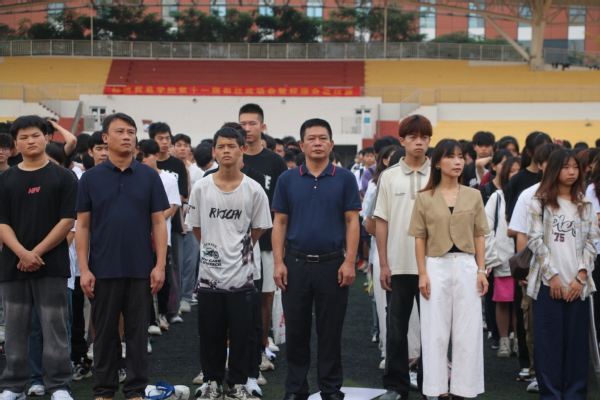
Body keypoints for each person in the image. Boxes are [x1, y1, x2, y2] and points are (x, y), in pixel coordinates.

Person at [76, 113, 169, 400]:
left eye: (131, 131)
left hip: (141, 268)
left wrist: (160, 265)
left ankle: (135, 390)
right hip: (102, 268)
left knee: (138, 334)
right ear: (105, 138)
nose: (127, 136)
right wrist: (84, 269)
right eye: (119, 131)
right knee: (104, 334)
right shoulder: (90, 178)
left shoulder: (149, 176)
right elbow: (83, 226)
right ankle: (104, 390)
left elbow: (158, 223)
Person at [272, 118, 361, 400]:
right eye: (311, 138)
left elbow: (352, 221)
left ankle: (331, 389)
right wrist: (278, 262)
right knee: (296, 332)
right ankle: (296, 389)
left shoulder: (345, 178)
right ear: (302, 145)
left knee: (330, 332)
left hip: (333, 264)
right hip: (295, 264)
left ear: (331, 144)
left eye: (323, 138)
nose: (317, 143)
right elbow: (280, 222)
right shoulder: (287, 179)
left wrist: (349, 261)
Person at [186, 127, 271, 400]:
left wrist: (236, 250)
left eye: (231, 146)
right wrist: (214, 249)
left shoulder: (254, 189)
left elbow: (259, 228)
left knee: (242, 334)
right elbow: (196, 227)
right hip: (209, 277)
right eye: (221, 146)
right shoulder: (201, 187)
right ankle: (211, 382)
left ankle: (238, 384)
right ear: (213, 151)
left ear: (241, 150)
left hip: (242, 277)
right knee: (210, 333)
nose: (226, 151)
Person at [0, 115, 78, 400]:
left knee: (54, 326)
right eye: (23, 137)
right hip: (13, 264)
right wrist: (22, 253)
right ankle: (13, 386)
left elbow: (67, 220)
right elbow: (1, 222)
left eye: (35, 135)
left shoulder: (64, 176)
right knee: (15, 328)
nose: (30, 141)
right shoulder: (5, 179)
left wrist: (36, 252)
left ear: (47, 137)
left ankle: (59, 385)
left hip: (51, 264)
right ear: (15, 144)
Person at [408, 139, 490, 399]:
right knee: (435, 332)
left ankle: (464, 390)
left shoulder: (474, 195)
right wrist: (422, 273)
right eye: (450, 157)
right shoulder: (424, 198)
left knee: (469, 332)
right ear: (437, 163)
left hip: (467, 265)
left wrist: (481, 270)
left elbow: (479, 235)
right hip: (436, 265)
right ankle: (438, 390)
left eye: (460, 157)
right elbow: (419, 238)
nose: (457, 162)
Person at [527, 148, 599, 400]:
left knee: (576, 346)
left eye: (575, 167)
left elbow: (592, 243)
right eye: (566, 167)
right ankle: (551, 394)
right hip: (547, 285)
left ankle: (574, 394)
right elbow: (534, 240)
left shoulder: (586, 204)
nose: (571, 172)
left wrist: (581, 277)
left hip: (578, 286)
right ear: (554, 169)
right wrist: (552, 276)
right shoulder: (539, 202)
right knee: (549, 346)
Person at [374, 115, 432, 400]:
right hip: (398, 265)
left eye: (424, 137)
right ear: (402, 140)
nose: (418, 142)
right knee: (396, 330)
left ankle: (431, 384)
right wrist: (384, 263)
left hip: (432, 266)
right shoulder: (389, 176)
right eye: (413, 137)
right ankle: (396, 386)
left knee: (433, 329)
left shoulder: (439, 173)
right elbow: (381, 222)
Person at [506, 142, 561, 391]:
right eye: (550, 162)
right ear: (539, 165)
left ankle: (563, 371)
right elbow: (521, 234)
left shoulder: (574, 196)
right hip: (537, 272)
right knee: (535, 324)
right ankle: (538, 372)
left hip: (567, 270)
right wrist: (524, 270)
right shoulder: (529, 195)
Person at [239, 103, 288, 372]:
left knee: (265, 296)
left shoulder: (274, 161)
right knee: (236, 297)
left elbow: (282, 206)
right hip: (236, 241)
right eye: (243, 124)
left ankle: (262, 344)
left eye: (252, 123)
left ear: (263, 126)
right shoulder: (234, 156)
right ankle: (235, 348)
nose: (247, 128)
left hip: (268, 240)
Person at [149, 122, 188, 323]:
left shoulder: (177, 165)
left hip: (172, 224)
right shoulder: (145, 165)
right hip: (150, 226)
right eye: (160, 138)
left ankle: (173, 308)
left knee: (174, 267)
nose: (165, 142)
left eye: (167, 138)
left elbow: (180, 196)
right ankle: (155, 313)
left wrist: (161, 217)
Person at [484, 156, 521, 358]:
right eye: (511, 171)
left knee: (519, 302)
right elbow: (485, 229)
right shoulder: (497, 197)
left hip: (525, 259)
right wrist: (491, 256)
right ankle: (504, 340)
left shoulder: (529, 196)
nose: (515, 175)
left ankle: (518, 339)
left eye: (518, 171)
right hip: (503, 258)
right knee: (503, 300)